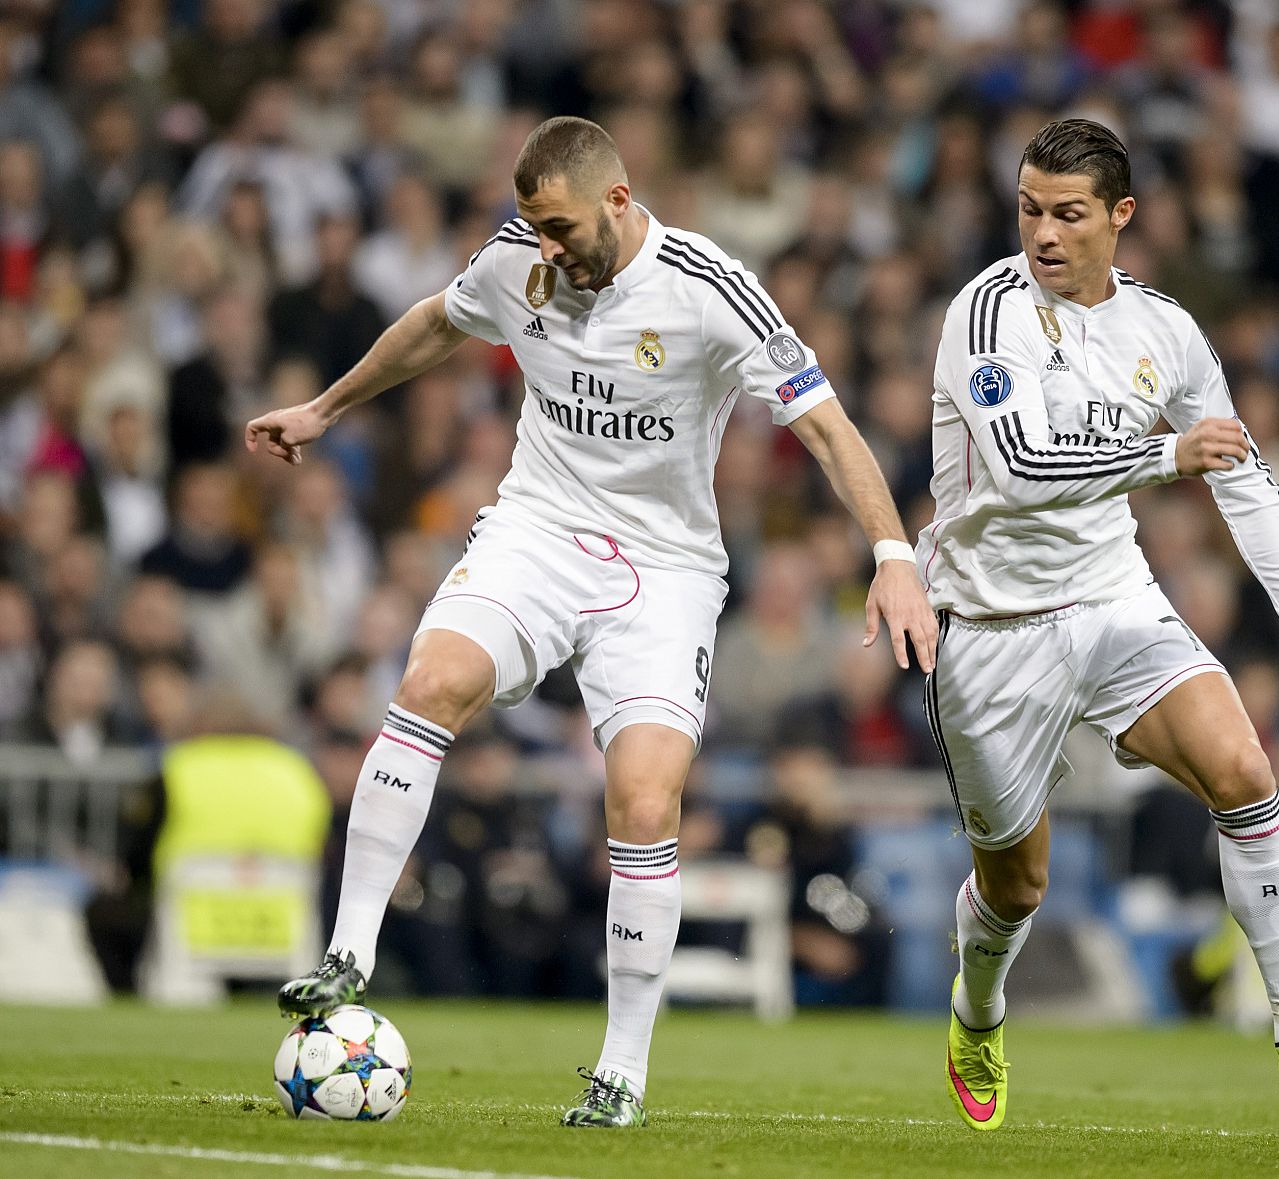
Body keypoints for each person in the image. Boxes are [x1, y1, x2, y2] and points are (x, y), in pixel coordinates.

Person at [245, 116, 935, 1128]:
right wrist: (327, 407)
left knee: (645, 806)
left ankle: (621, 1071)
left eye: (561, 225)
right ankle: (350, 947)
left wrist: (893, 556)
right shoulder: (517, 260)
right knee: (429, 683)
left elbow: (825, 425)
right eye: (532, 226)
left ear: (616, 200)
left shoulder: (708, 286)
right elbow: (439, 320)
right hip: (539, 530)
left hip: (665, 571)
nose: (547, 246)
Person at [918, 119, 1279, 1132]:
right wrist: (1165, 457)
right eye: (1029, 209)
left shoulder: (1165, 331)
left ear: (1120, 217)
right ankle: (977, 1009)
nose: (1043, 233)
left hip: (1112, 597)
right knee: (1015, 883)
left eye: (1068, 214)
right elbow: (1023, 472)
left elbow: (1241, 468)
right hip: (989, 626)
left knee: (1246, 773)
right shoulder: (984, 313)